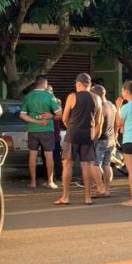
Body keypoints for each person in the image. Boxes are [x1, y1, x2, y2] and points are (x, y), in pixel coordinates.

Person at [54, 72, 102, 205]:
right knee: (86, 165)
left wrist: (70, 126)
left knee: (67, 164)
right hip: (88, 135)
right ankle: (88, 197)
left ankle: (66, 196)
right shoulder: (97, 99)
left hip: (73, 134)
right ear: (89, 85)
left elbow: (64, 118)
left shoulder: (72, 97)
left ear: (79, 84)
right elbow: (98, 121)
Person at [20, 75, 62, 189]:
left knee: (32, 155)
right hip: (47, 130)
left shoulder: (28, 96)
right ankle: (50, 181)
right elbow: (60, 114)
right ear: (44, 84)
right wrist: (51, 116)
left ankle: (33, 182)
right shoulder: (49, 96)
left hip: (32, 130)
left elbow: (22, 115)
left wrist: (36, 121)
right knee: (49, 156)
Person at [90, 84, 117, 197]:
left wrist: (94, 139)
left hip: (101, 139)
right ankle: (106, 189)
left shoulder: (100, 107)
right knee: (107, 165)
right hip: (111, 139)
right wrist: (115, 138)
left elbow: (99, 125)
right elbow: (116, 124)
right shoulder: (111, 105)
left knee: (95, 165)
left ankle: (100, 188)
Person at [47, 85, 62, 181]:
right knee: (48, 155)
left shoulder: (57, 101)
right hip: (46, 132)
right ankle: (49, 176)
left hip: (54, 132)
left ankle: (58, 175)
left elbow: (59, 116)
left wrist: (50, 116)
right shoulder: (44, 101)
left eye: (50, 91)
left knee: (56, 155)